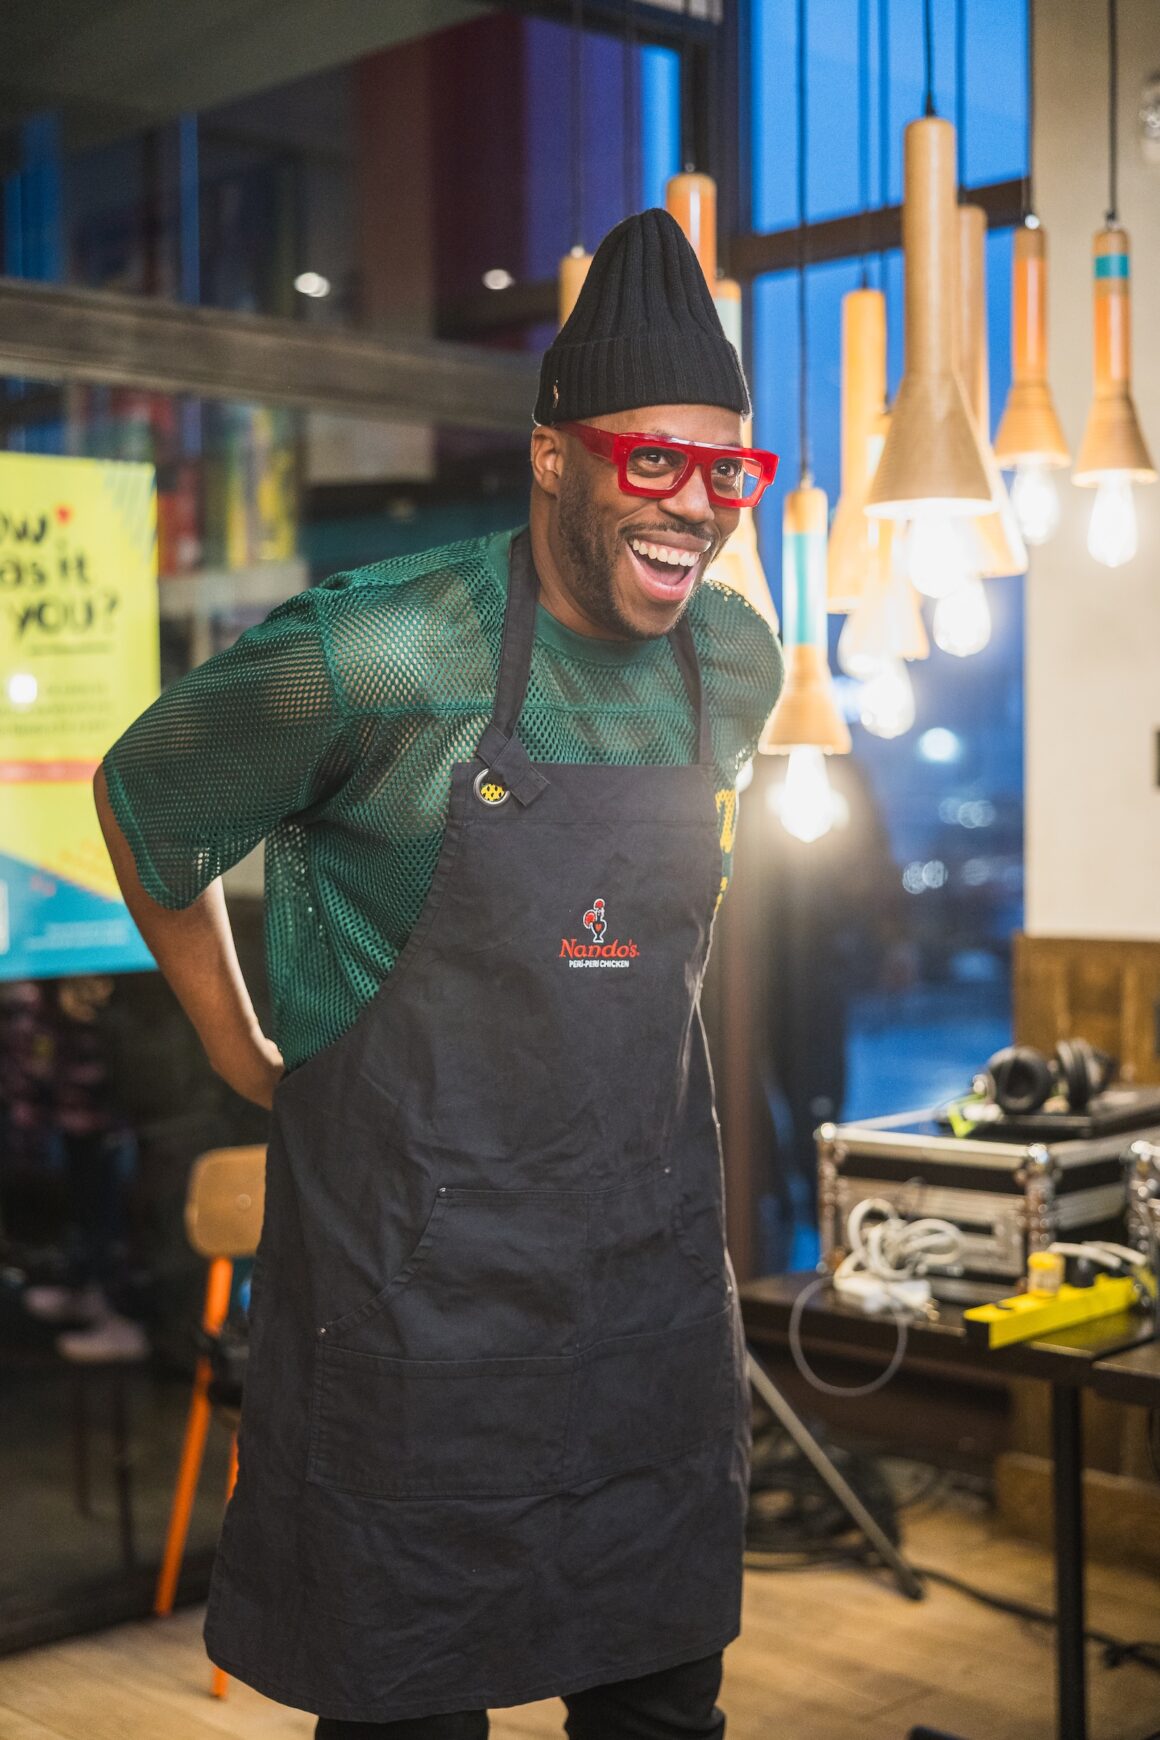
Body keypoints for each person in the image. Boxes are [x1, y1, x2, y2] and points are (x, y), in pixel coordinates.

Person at [95, 209, 784, 1739]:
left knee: (665, 1702)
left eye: (731, 466)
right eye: (651, 460)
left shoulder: (735, 662)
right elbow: (149, 800)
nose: (700, 504)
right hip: (422, 1315)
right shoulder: (382, 650)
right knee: (408, 1710)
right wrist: (239, 1044)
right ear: (552, 456)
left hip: (642, 1305)